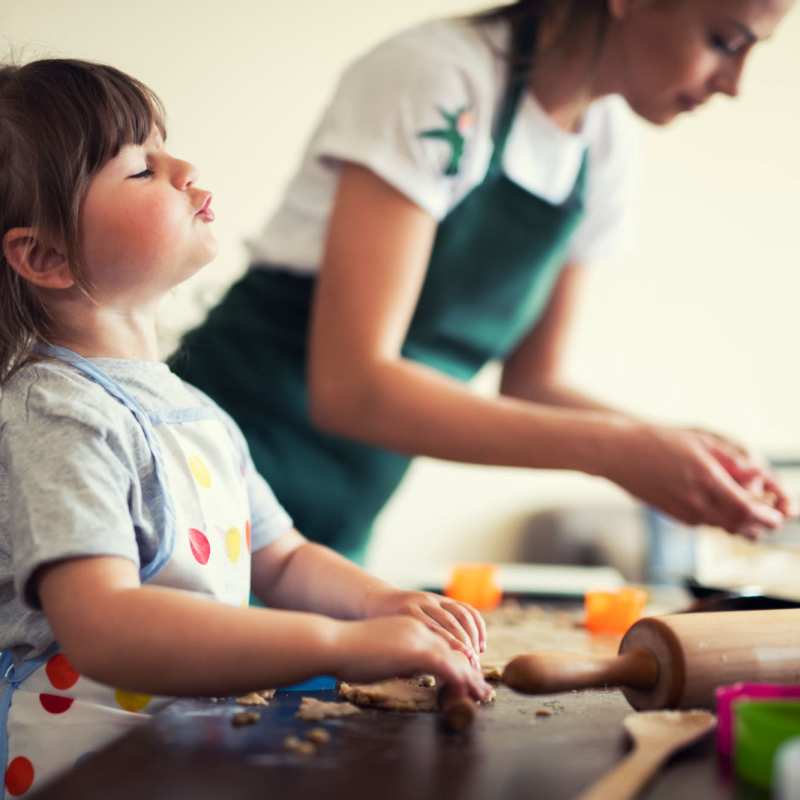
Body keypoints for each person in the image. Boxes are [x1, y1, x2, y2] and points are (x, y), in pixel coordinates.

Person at [0, 59, 491, 796]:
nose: (184, 167)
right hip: (84, 776)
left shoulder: (195, 411)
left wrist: (379, 602)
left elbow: (284, 559)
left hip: (186, 762)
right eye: (140, 169)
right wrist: (341, 644)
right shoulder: (55, 413)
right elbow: (104, 623)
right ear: (46, 255)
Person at [174, 0, 796, 564]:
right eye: (725, 39)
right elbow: (352, 388)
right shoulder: (437, 79)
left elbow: (534, 384)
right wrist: (617, 451)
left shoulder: (604, 147)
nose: (735, 85)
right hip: (208, 488)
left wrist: (672, 447)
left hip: (332, 535)